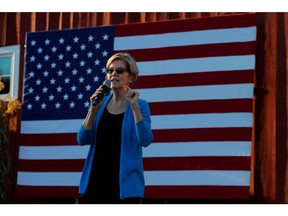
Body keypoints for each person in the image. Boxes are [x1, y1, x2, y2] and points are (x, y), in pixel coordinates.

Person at [77, 52, 153, 204]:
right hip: (95, 183)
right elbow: (81, 139)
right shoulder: (100, 103)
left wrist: (135, 109)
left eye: (119, 71)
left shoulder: (140, 105)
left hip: (124, 189)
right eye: (109, 70)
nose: (113, 74)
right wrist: (92, 110)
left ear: (131, 77)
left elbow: (145, 140)